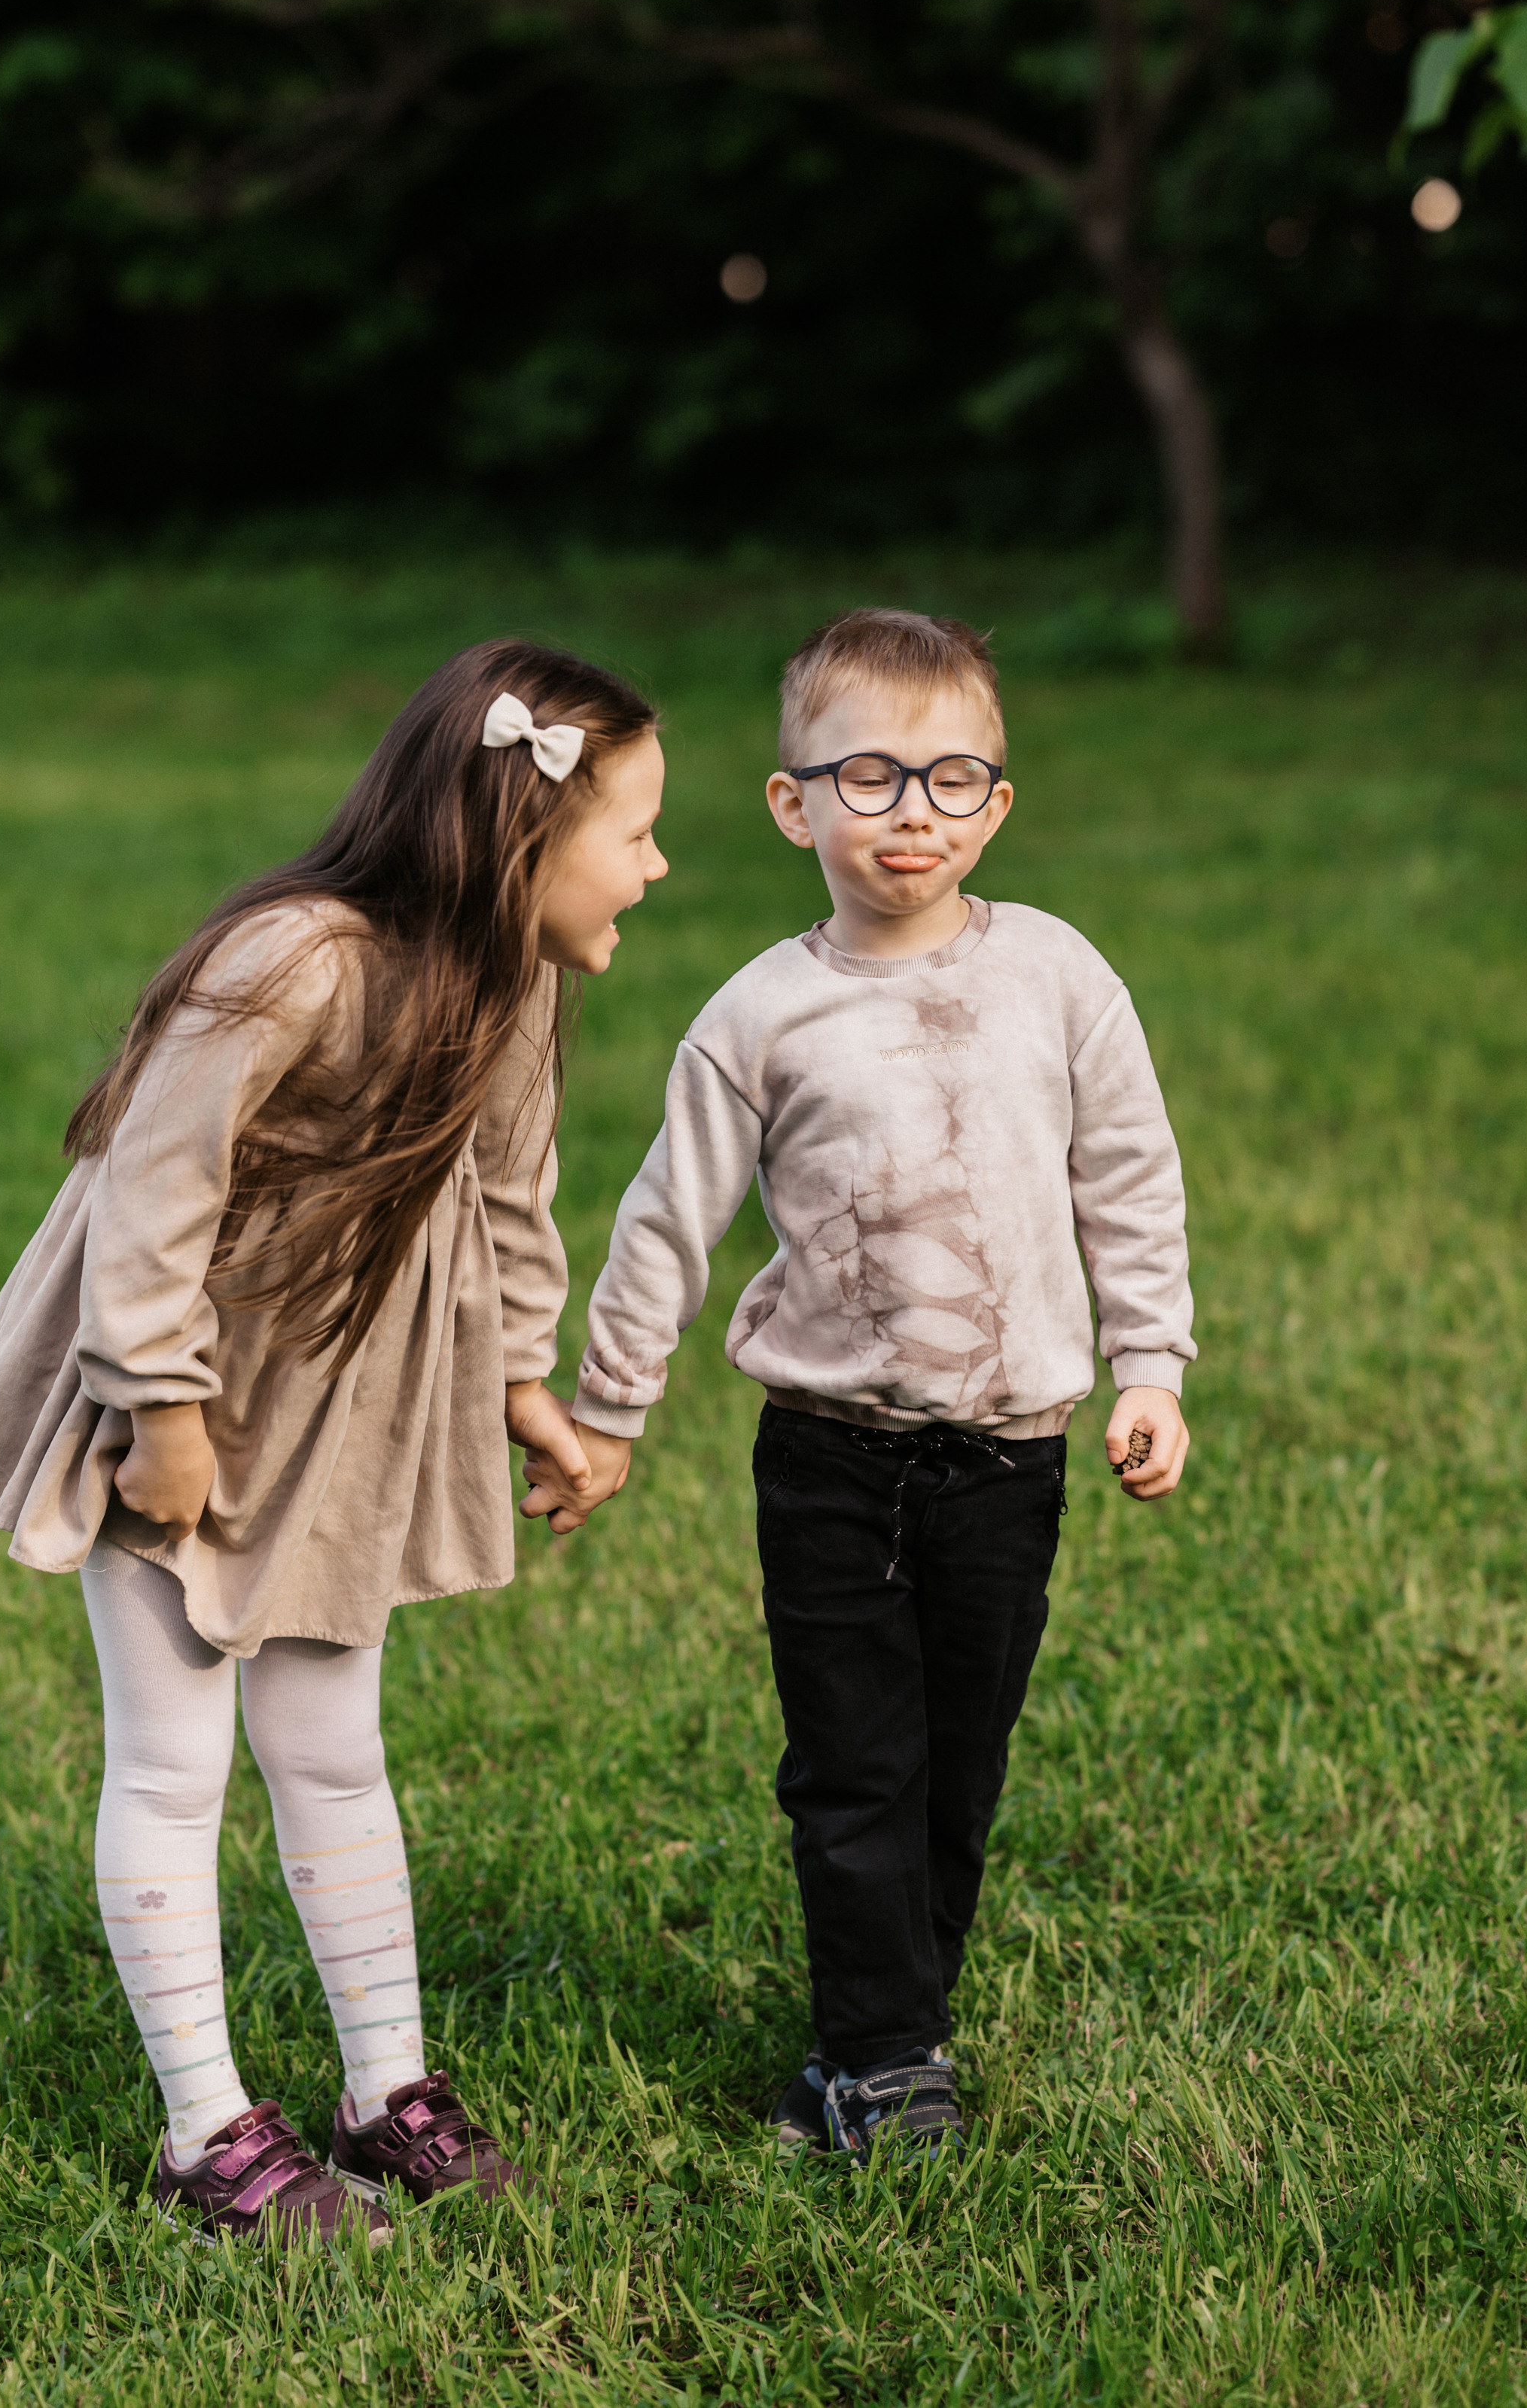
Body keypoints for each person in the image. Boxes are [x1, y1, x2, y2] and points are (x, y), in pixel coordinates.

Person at [0, 641, 666, 2247]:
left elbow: (516, 1201)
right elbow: (148, 1192)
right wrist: (163, 1419)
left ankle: (382, 2091)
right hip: (169, 1405)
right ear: (520, 838)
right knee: (176, 1759)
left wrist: (522, 1379)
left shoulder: (510, 985)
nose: (659, 866)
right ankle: (209, 2134)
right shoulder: (292, 961)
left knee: (334, 1744)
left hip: (340, 1422)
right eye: (638, 830)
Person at [525, 607, 1194, 2166]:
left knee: (958, 1761)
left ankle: (903, 2022)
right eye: (872, 775)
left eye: (956, 778)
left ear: (1000, 805)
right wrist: (608, 1412)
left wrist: (1147, 1363)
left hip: (1009, 1456)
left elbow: (1130, 1177)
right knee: (850, 1767)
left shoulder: (1058, 975)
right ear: (792, 804)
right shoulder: (759, 1014)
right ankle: (877, 2054)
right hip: (827, 1454)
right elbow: (664, 1224)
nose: (916, 811)